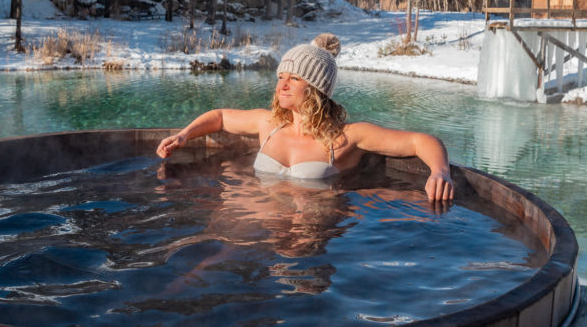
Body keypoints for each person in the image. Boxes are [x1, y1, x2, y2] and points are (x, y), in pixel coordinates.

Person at [156, 33, 455, 201]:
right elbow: (220, 117)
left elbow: (421, 141)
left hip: (311, 225)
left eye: (294, 79)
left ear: (315, 88)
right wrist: (184, 135)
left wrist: (440, 171)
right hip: (254, 218)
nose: (282, 84)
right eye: (281, 76)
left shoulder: (345, 136)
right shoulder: (268, 125)